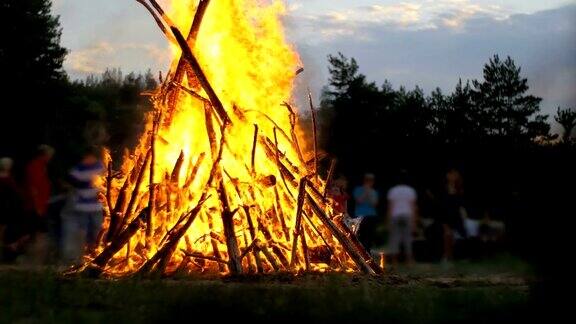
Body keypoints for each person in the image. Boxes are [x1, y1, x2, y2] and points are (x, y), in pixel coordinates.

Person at [62, 149, 104, 262]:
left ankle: (93, 254)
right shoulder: (77, 169)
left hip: (96, 208)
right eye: (88, 158)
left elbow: (104, 182)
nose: (90, 160)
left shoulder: (99, 167)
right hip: (81, 207)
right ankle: (80, 257)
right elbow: (71, 182)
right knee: (81, 232)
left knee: (96, 232)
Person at [387, 171, 418, 265]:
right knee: (407, 238)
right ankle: (409, 259)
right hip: (407, 215)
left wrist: (388, 220)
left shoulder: (393, 190)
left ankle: (394, 260)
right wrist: (414, 220)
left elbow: (390, 206)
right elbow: (413, 206)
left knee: (395, 237)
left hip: (395, 215)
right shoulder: (411, 190)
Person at [439, 168, 468, 263]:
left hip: (456, 214)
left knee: (458, 236)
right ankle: (446, 255)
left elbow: (460, 203)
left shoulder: (459, 188)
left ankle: (455, 256)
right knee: (447, 235)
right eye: (451, 174)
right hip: (446, 214)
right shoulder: (444, 187)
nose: (453, 177)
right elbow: (442, 202)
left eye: (455, 175)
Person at [353, 173, 379, 253]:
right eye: (368, 181)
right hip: (361, 216)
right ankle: (361, 252)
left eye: (371, 181)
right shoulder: (359, 190)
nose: (370, 182)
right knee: (361, 236)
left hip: (371, 216)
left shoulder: (373, 192)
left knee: (369, 236)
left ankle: (367, 252)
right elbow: (359, 201)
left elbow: (374, 203)